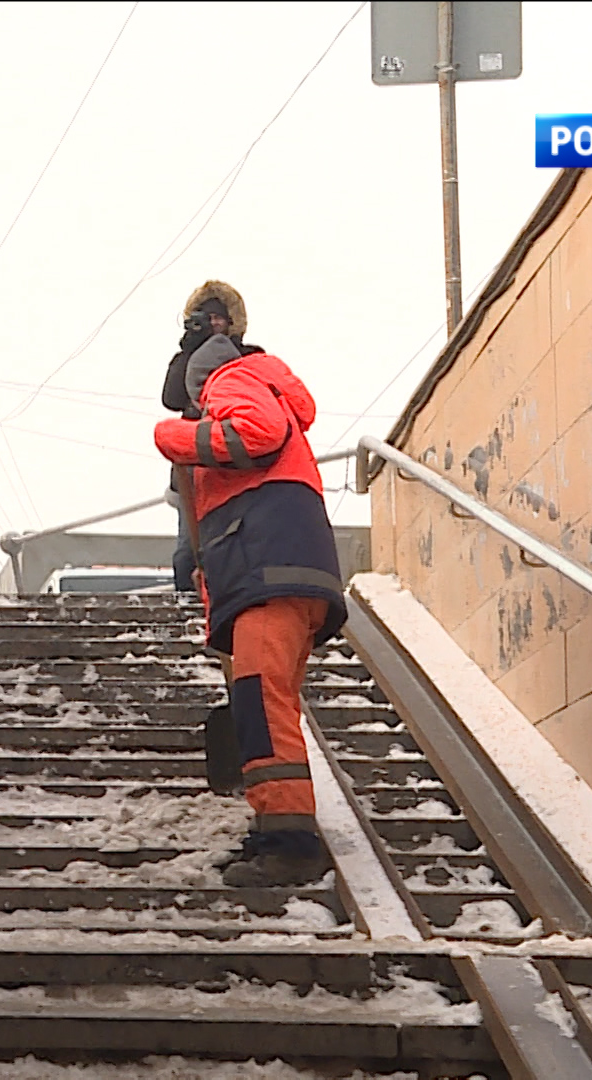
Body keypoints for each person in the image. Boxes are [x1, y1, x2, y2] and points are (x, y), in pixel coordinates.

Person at [152, 290, 347, 887]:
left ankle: (291, 841)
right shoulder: (247, 379)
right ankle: (274, 827)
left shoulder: (232, 377)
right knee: (266, 704)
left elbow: (256, 432)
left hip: (272, 565)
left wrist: (175, 438)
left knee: (261, 702)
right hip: (273, 567)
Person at [160, 283, 251, 591]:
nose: (213, 324)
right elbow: (172, 398)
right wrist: (189, 350)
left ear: (232, 321)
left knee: (237, 547)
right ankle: (186, 610)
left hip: (236, 466)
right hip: (193, 468)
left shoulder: (248, 356)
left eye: (219, 318)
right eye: (205, 317)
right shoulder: (184, 357)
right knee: (188, 551)